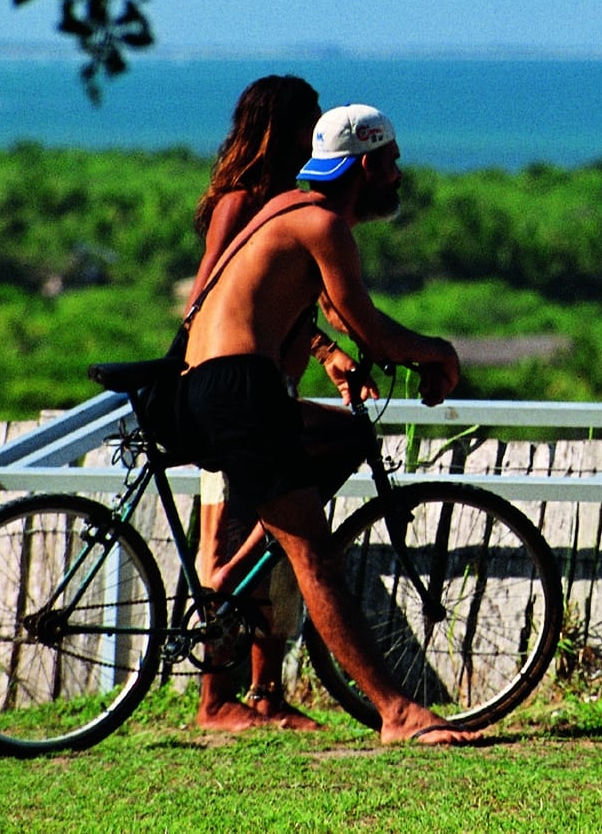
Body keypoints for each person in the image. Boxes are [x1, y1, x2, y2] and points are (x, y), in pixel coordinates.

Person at [179, 102, 480, 746]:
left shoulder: (285, 208)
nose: (399, 176)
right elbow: (367, 323)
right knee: (315, 556)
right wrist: (439, 352)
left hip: (226, 384)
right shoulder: (322, 224)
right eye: (393, 164)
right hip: (241, 388)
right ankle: (398, 712)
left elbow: (336, 320)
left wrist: (343, 354)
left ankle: (236, 573)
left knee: (344, 437)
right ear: (367, 164)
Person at [187, 74, 360, 733]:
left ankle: (265, 691)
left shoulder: (288, 205)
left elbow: (291, 295)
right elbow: (210, 296)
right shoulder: (241, 202)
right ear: (283, 128)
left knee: (279, 546)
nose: (317, 131)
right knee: (230, 543)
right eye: (309, 119)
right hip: (233, 397)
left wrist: (322, 349)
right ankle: (216, 699)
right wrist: (323, 341)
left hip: (269, 394)